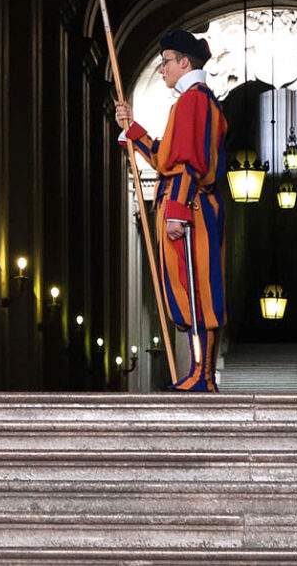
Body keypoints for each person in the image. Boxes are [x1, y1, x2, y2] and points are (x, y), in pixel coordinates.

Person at [113, 29, 229, 392]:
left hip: (190, 206)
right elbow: (167, 158)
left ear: (185, 62)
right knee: (186, 289)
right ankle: (198, 372)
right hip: (185, 203)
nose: (161, 69)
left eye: (166, 62)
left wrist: (177, 210)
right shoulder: (188, 101)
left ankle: (203, 375)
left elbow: (187, 164)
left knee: (199, 292)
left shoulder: (194, 100)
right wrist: (132, 128)